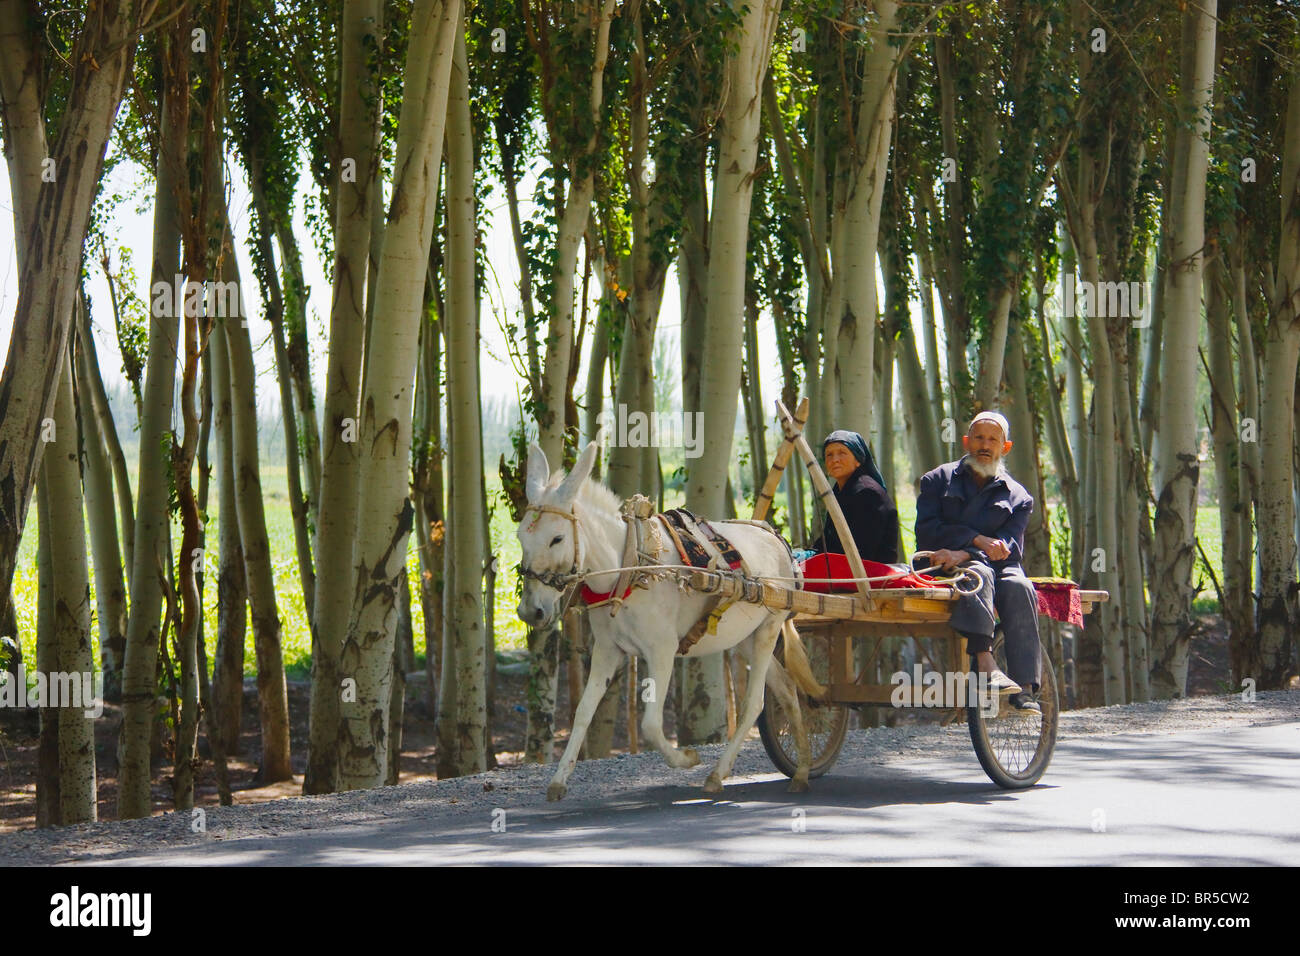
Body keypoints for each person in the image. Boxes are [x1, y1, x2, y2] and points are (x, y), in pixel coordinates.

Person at [914, 411, 1041, 712]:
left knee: (1020, 585)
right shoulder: (936, 480)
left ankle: (1025, 688)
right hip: (941, 563)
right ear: (967, 442)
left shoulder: (1019, 497)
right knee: (979, 572)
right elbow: (927, 530)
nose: (985, 445)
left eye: (993, 440)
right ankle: (985, 659)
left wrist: (968, 551)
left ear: (1005, 447)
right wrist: (974, 540)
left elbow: (1010, 546)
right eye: (979, 438)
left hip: (994, 564)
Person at [811, 429, 899, 565]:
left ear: (858, 460)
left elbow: (862, 549)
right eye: (829, 455)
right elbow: (828, 540)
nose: (835, 460)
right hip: (843, 566)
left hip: (871, 574)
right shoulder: (839, 491)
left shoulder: (868, 493)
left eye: (842, 453)